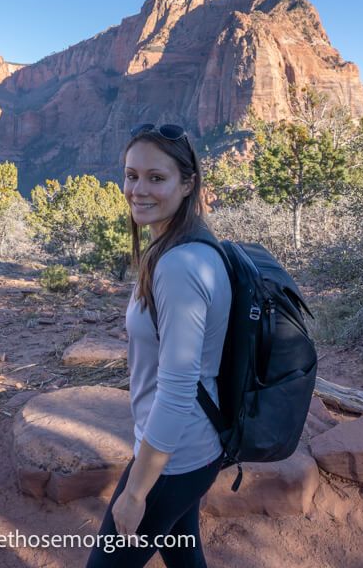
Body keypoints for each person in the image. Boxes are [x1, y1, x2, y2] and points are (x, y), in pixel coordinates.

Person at [85, 123, 230, 568]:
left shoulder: (181, 265)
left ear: (188, 184)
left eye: (156, 178)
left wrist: (136, 491)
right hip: (191, 448)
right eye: (131, 175)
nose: (137, 189)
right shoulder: (179, 246)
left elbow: (178, 388)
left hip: (173, 457)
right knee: (185, 555)